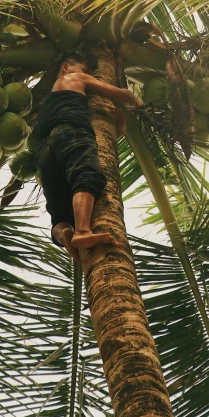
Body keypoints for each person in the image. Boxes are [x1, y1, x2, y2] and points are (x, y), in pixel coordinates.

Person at [34, 49, 142, 263]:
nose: (89, 75)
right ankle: (82, 231)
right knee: (86, 176)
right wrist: (136, 103)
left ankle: (66, 234)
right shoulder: (74, 77)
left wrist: (117, 128)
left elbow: (104, 135)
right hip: (72, 133)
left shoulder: (48, 103)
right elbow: (122, 95)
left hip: (44, 151)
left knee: (59, 214)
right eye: (86, 70)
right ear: (66, 67)